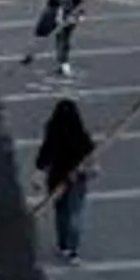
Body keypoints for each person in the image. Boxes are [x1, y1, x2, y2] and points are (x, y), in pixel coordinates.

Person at [34, 97, 97, 264]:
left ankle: (63, 244)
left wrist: (39, 172)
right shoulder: (80, 134)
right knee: (75, 213)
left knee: (61, 212)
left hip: (57, 178)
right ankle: (72, 248)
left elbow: (45, 153)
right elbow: (90, 153)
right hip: (77, 178)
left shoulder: (53, 132)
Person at [26, 0, 85, 78]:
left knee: (63, 41)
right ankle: (63, 63)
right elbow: (52, 3)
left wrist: (80, 14)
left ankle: (63, 63)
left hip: (68, 20)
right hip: (60, 19)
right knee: (62, 41)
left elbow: (79, 3)